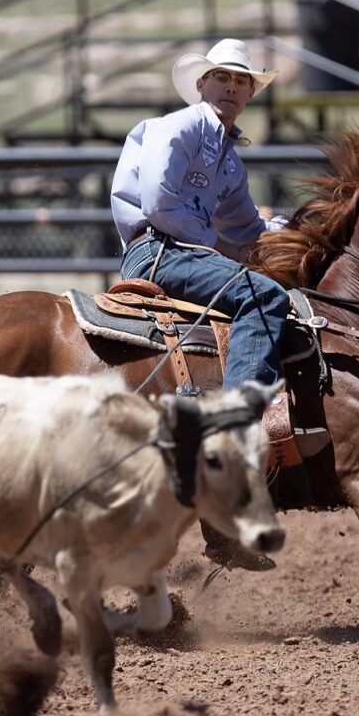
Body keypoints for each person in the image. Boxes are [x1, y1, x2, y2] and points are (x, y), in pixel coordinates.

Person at [110, 38, 289, 571]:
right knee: (265, 296)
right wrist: (217, 245)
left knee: (263, 281)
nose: (232, 88)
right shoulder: (180, 127)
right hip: (158, 251)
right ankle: (235, 426)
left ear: (250, 93)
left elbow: (245, 232)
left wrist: (287, 230)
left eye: (242, 82)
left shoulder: (230, 163)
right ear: (202, 85)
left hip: (180, 250)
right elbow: (160, 204)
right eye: (223, 79)